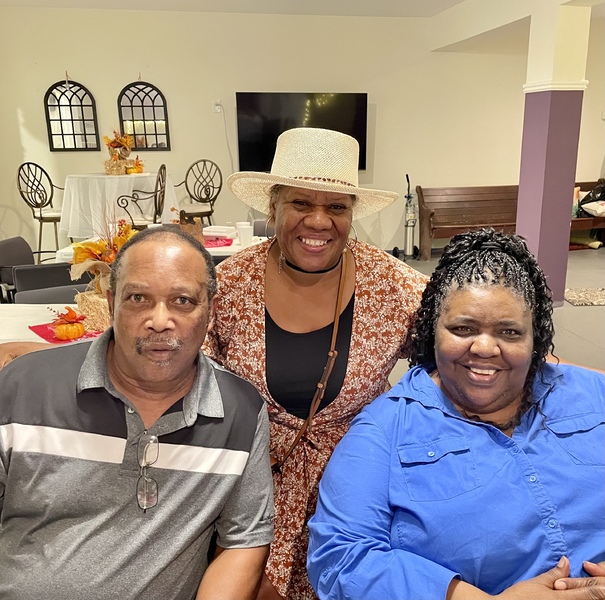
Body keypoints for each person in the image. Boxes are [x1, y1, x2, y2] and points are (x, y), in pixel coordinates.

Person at [307, 228, 605, 600]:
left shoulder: (592, 394)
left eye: (510, 332)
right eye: (463, 328)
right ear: (433, 330)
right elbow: (338, 558)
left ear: (535, 340)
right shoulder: (384, 430)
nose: (485, 348)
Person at [204, 126, 428, 599]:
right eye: (301, 203)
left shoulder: (392, 285)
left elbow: (466, 346)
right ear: (273, 207)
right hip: (251, 490)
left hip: (357, 493)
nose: (319, 221)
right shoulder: (229, 283)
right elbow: (188, 376)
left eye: (337, 208)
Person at [0, 226, 274, 600]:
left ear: (210, 310)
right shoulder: (23, 388)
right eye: (138, 298)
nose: (159, 321)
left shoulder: (238, 412)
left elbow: (243, 542)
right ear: (111, 302)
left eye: (182, 301)